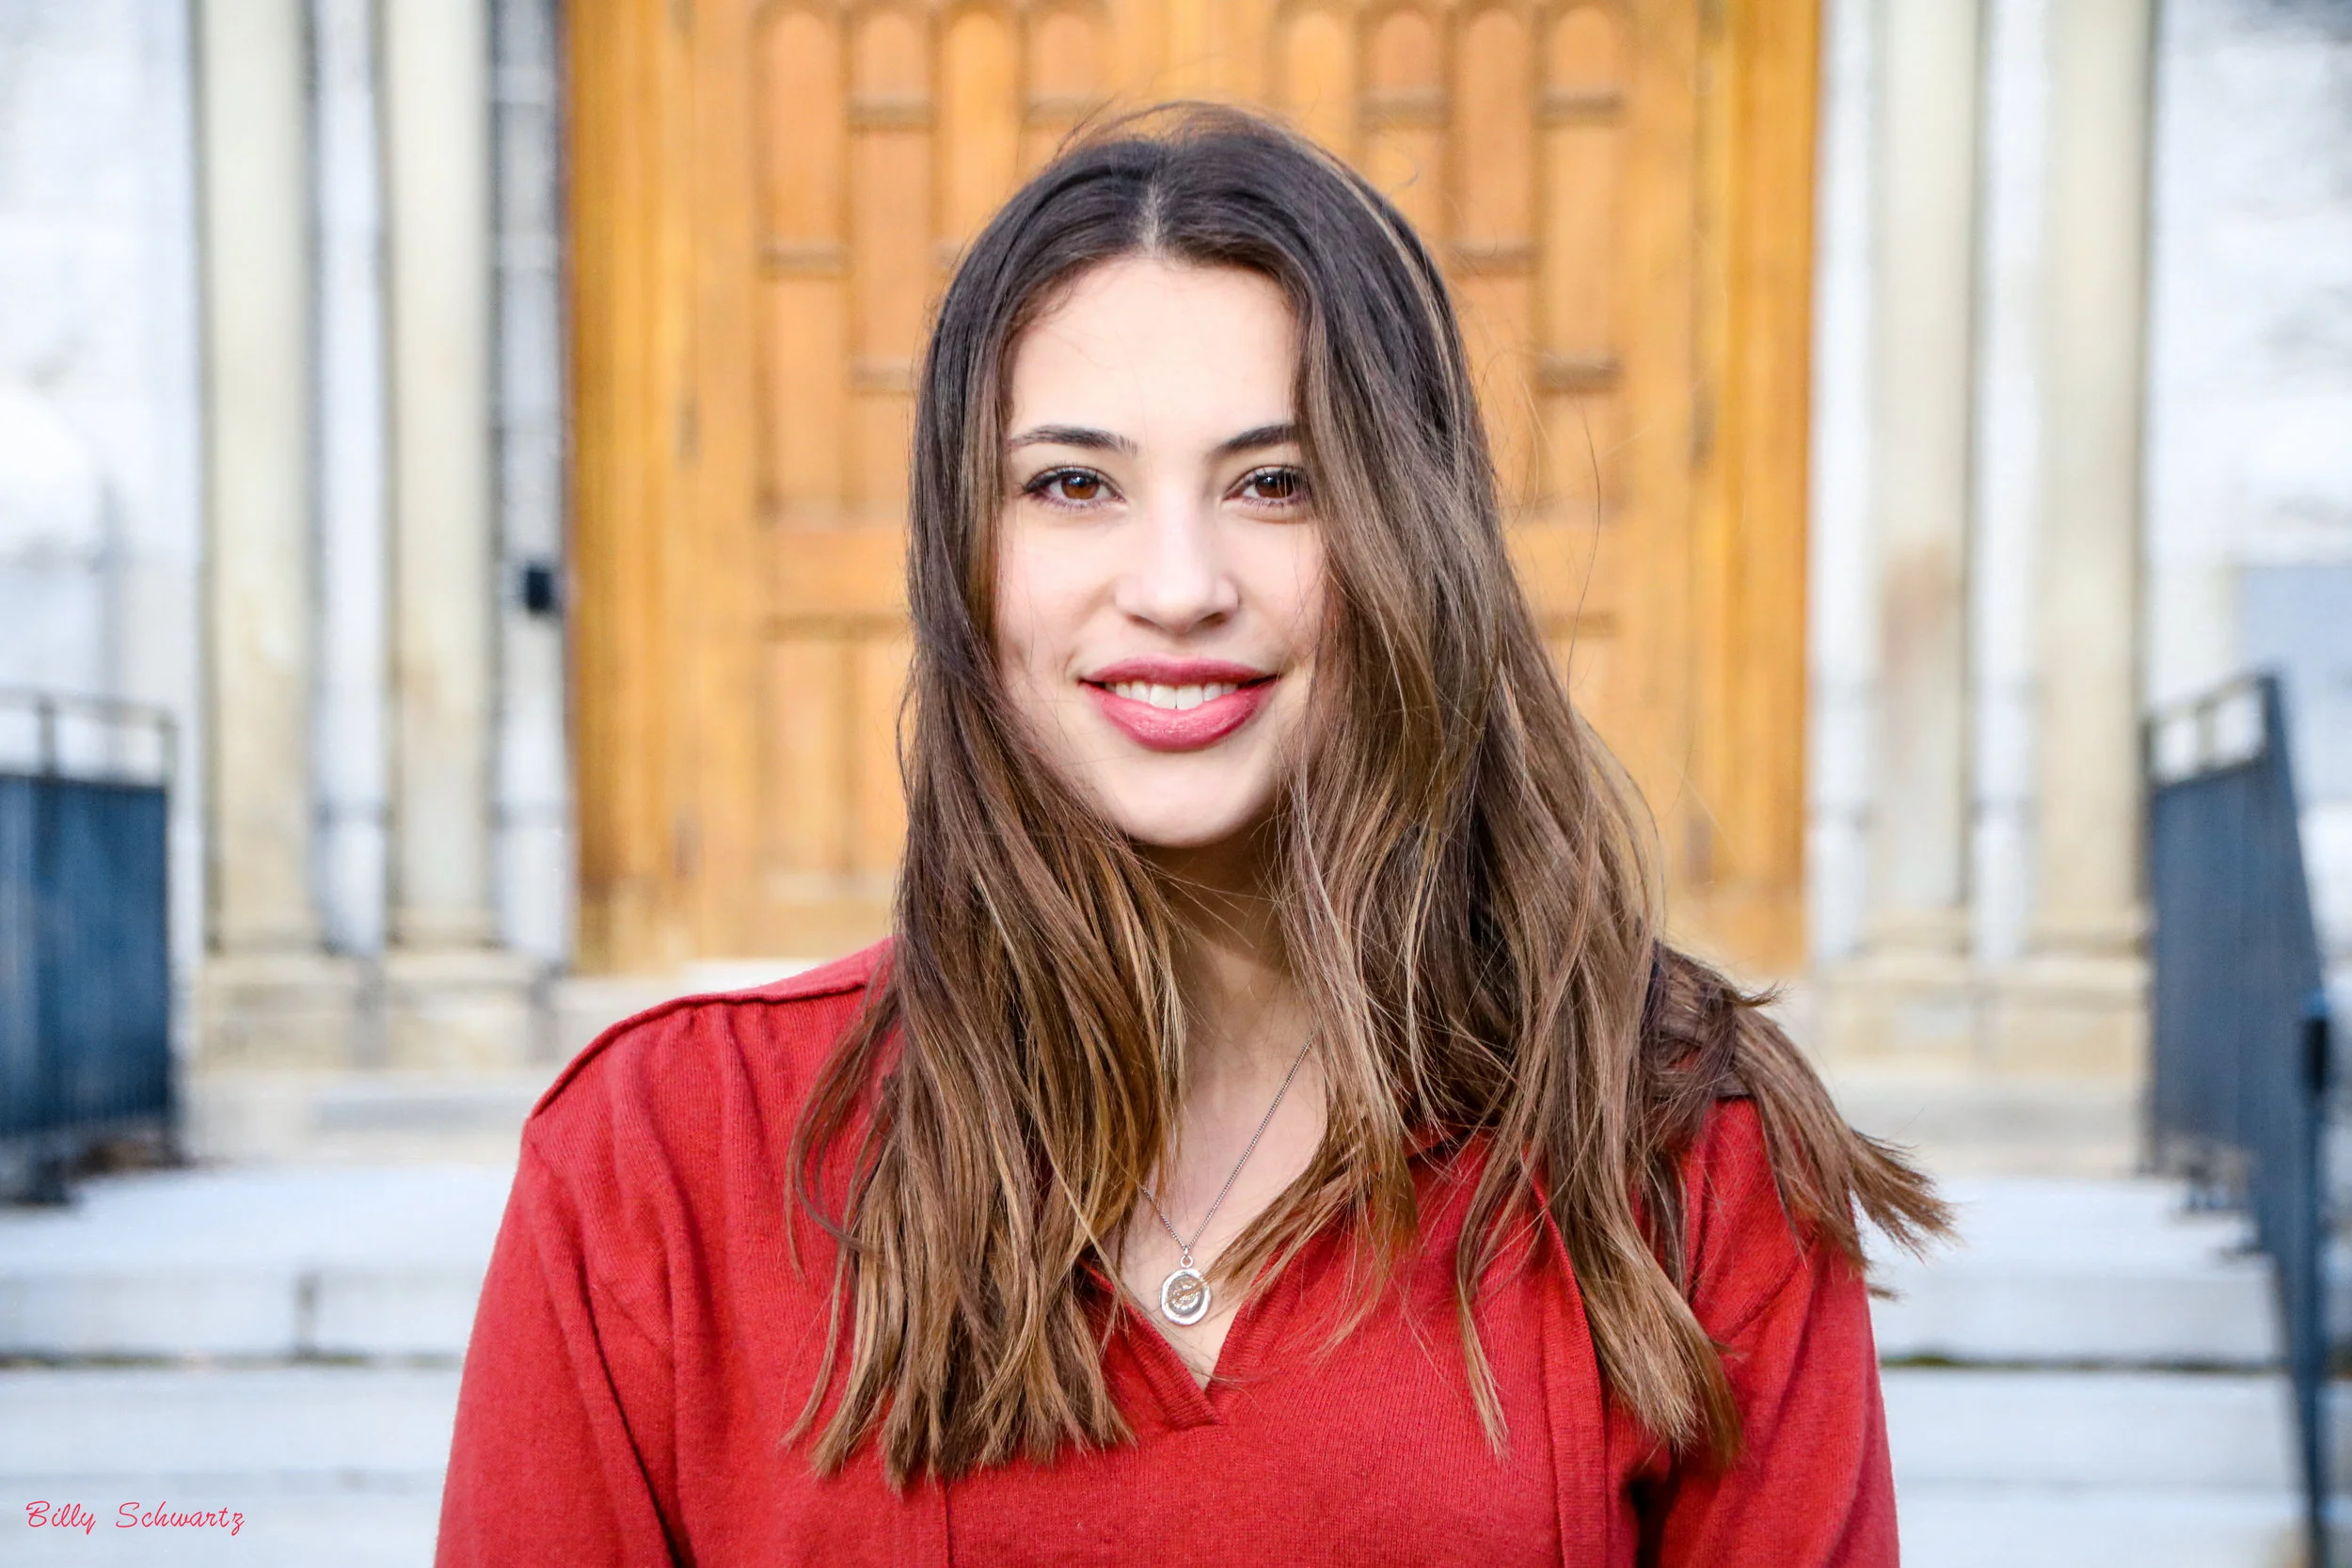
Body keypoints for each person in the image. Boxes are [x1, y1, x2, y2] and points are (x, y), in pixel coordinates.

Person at [436, 104, 1947, 1566]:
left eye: (1277, 484)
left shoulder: (1684, 1144)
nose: (1177, 583)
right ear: (966, 558)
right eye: (1072, 483)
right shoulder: (658, 1161)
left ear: (1408, 540)